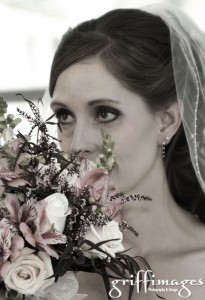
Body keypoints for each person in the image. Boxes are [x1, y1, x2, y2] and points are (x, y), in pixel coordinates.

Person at [48, 4, 205, 299]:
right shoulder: (38, 261)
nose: (78, 143)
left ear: (166, 121)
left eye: (105, 113)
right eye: (64, 116)